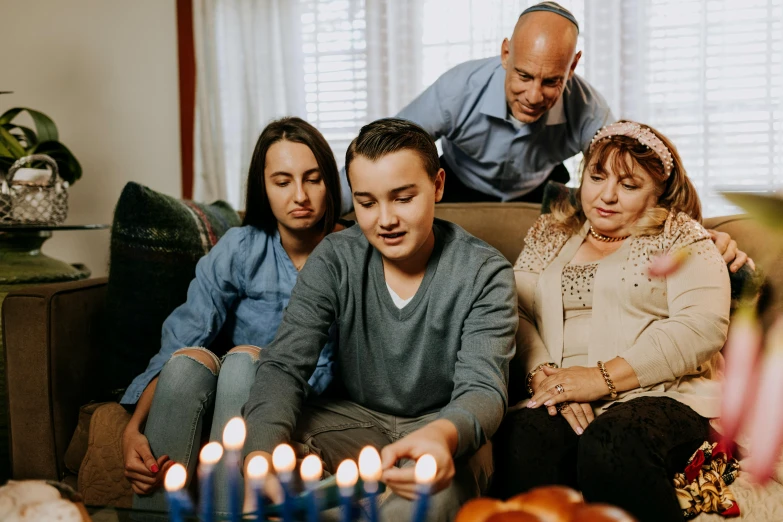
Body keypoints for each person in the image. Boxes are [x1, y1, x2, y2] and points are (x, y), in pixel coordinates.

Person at [242, 118, 518, 521]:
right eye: (367, 203)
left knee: (428, 497)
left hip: (444, 428)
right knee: (259, 442)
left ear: (438, 185)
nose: (384, 220)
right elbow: (284, 363)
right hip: (355, 422)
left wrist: (442, 437)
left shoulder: (485, 271)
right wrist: (262, 455)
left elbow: (484, 388)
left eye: (402, 198)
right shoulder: (335, 257)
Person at [493, 120, 731, 522]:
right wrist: (544, 377)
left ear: (657, 192)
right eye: (597, 176)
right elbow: (514, 311)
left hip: (664, 393)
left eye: (629, 185)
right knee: (525, 436)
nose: (606, 196)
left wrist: (598, 379)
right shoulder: (550, 231)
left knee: (613, 440)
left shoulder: (680, 236)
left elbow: (701, 326)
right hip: (560, 391)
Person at [121, 117, 343, 514]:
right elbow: (183, 338)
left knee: (245, 362)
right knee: (188, 364)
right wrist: (132, 428)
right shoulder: (242, 247)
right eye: (282, 181)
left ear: (330, 181)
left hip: (294, 394)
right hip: (230, 389)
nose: (300, 196)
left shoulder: (352, 249)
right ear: (263, 186)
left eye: (313, 179)